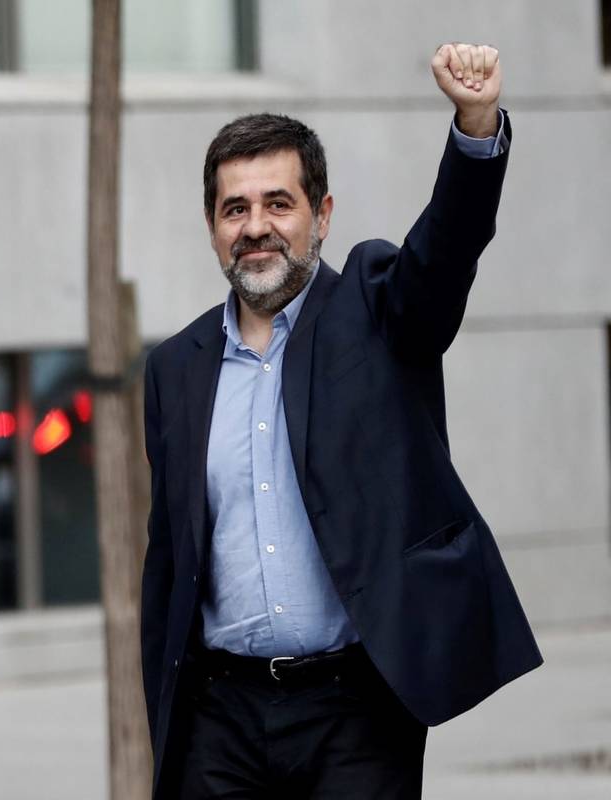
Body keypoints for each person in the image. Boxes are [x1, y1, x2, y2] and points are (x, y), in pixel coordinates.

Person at [140, 43, 542, 798]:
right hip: (218, 719)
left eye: (278, 203)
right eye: (235, 209)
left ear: (321, 215)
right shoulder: (173, 369)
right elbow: (170, 558)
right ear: (213, 226)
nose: (256, 226)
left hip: (355, 712)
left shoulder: (376, 307)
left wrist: (476, 126)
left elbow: (445, 252)